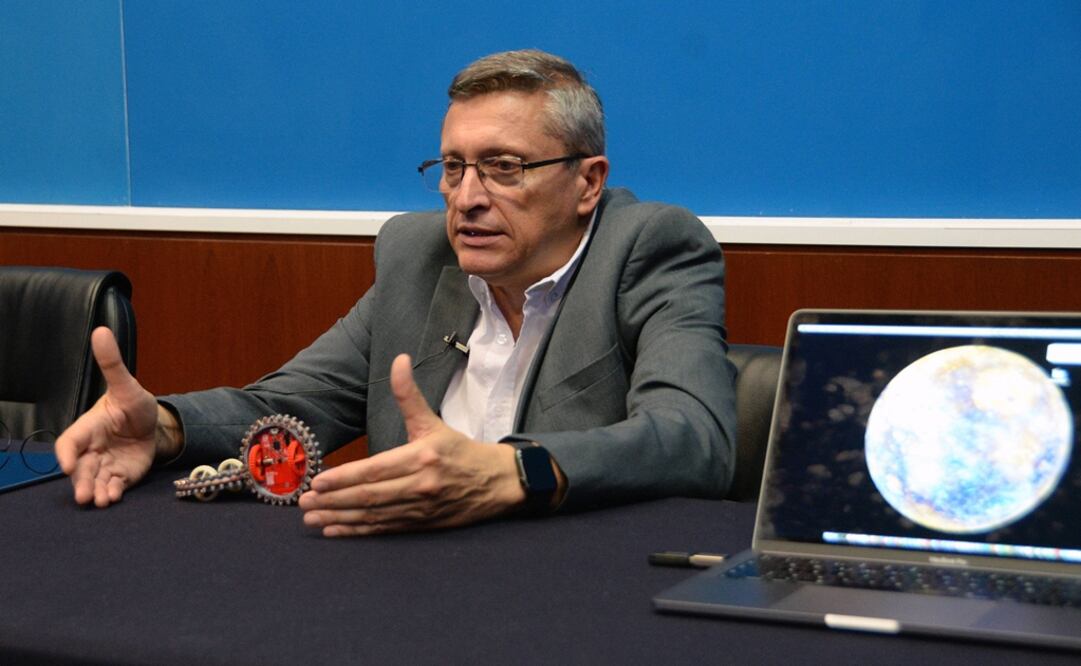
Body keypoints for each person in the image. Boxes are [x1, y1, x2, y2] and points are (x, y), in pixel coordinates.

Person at [56, 49, 737, 536]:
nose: (467, 198)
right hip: (408, 588)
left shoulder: (648, 247)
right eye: (451, 167)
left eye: (504, 168)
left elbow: (691, 438)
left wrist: (513, 471)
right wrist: (169, 427)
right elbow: (293, 405)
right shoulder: (419, 255)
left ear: (587, 182)